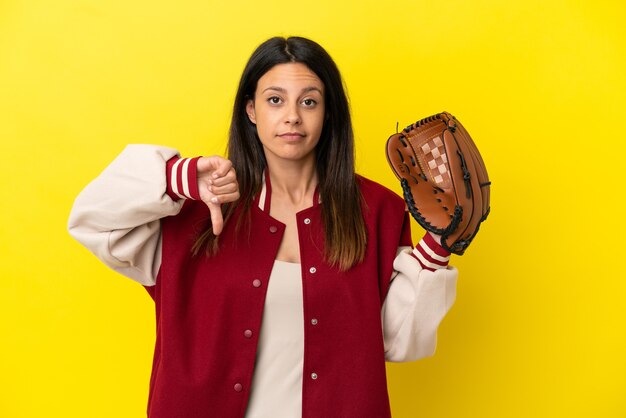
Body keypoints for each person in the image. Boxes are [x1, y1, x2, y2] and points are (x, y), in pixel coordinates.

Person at [68, 36, 458, 418]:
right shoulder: (196, 210)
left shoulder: (377, 210)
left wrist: (438, 246)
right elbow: (92, 219)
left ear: (328, 112)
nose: (292, 116)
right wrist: (178, 178)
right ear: (251, 110)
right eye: (275, 100)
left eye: (309, 101)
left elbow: (398, 342)